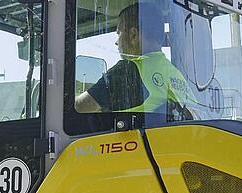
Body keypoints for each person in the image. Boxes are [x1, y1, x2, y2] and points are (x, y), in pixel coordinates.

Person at [72, 2, 201, 117]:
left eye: (119, 33)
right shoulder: (175, 74)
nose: (117, 42)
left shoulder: (128, 71)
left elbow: (79, 107)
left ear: (133, 35)